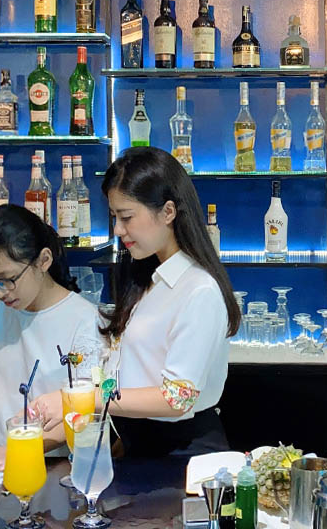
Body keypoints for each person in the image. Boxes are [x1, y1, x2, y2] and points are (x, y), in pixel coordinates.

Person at [32, 146, 240, 458]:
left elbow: (177, 399)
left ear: (168, 212)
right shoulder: (147, 278)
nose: (118, 229)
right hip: (139, 445)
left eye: (126, 217)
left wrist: (81, 398)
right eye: (115, 217)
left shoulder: (199, 290)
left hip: (182, 454)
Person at [0, 204, 99, 469]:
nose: (0, 292)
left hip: (50, 466)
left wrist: (16, 449)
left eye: (7, 279)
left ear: (44, 260)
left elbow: (84, 413)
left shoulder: (84, 320)